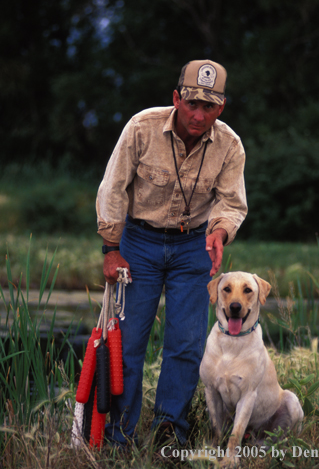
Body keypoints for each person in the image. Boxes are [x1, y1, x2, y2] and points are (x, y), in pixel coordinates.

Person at [96, 59, 247, 447]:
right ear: (176, 98)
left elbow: (232, 203)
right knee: (127, 344)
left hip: (194, 246)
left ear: (222, 107)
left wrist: (220, 232)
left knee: (186, 344)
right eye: (192, 104)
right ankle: (120, 436)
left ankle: (170, 431)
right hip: (138, 243)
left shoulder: (229, 145)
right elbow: (112, 188)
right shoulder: (141, 128)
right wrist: (111, 248)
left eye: (209, 107)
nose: (198, 116)